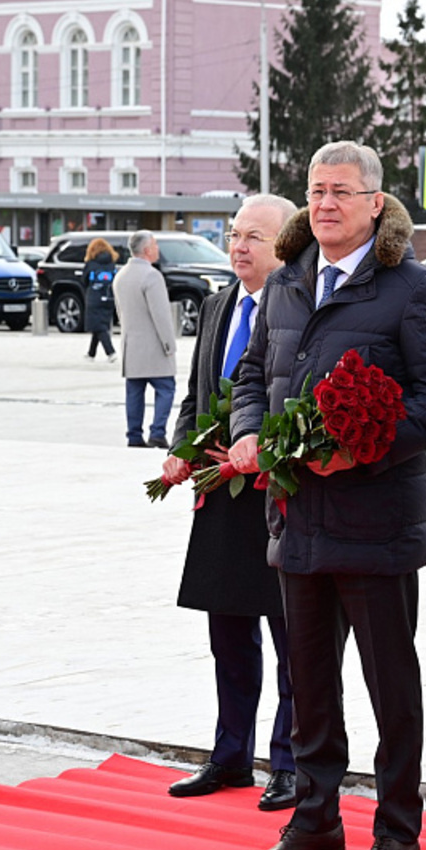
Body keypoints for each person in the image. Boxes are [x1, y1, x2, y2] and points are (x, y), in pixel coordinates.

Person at [226, 141, 426, 850]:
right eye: (315, 189)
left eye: (341, 191)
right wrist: (244, 430)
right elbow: (252, 374)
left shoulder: (413, 288)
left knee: (390, 686)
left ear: (374, 204)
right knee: (309, 682)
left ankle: (398, 828)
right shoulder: (288, 282)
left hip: (377, 521)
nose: (325, 202)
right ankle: (316, 816)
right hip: (297, 518)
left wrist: (365, 448)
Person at [162, 195, 300, 808]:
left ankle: (290, 763)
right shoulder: (219, 306)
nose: (239, 247)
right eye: (235, 234)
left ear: (286, 245)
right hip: (219, 491)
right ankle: (229, 756)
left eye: (255, 237)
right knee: (228, 635)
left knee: (293, 638)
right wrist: (181, 450)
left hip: (281, 493)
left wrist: (272, 452)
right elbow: (195, 394)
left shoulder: (303, 307)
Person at [113, 230, 177, 449]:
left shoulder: (121, 275)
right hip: (154, 347)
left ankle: (134, 435)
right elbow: (161, 315)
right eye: (156, 244)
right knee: (166, 388)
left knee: (134, 392)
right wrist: (169, 344)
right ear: (148, 249)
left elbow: (120, 312)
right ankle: (157, 432)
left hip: (131, 346)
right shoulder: (151, 276)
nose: (158, 249)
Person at [83, 237, 118, 361]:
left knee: (99, 327)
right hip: (109, 297)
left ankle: (111, 352)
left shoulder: (90, 264)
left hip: (94, 298)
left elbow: (84, 281)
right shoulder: (111, 264)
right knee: (99, 324)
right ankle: (91, 353)